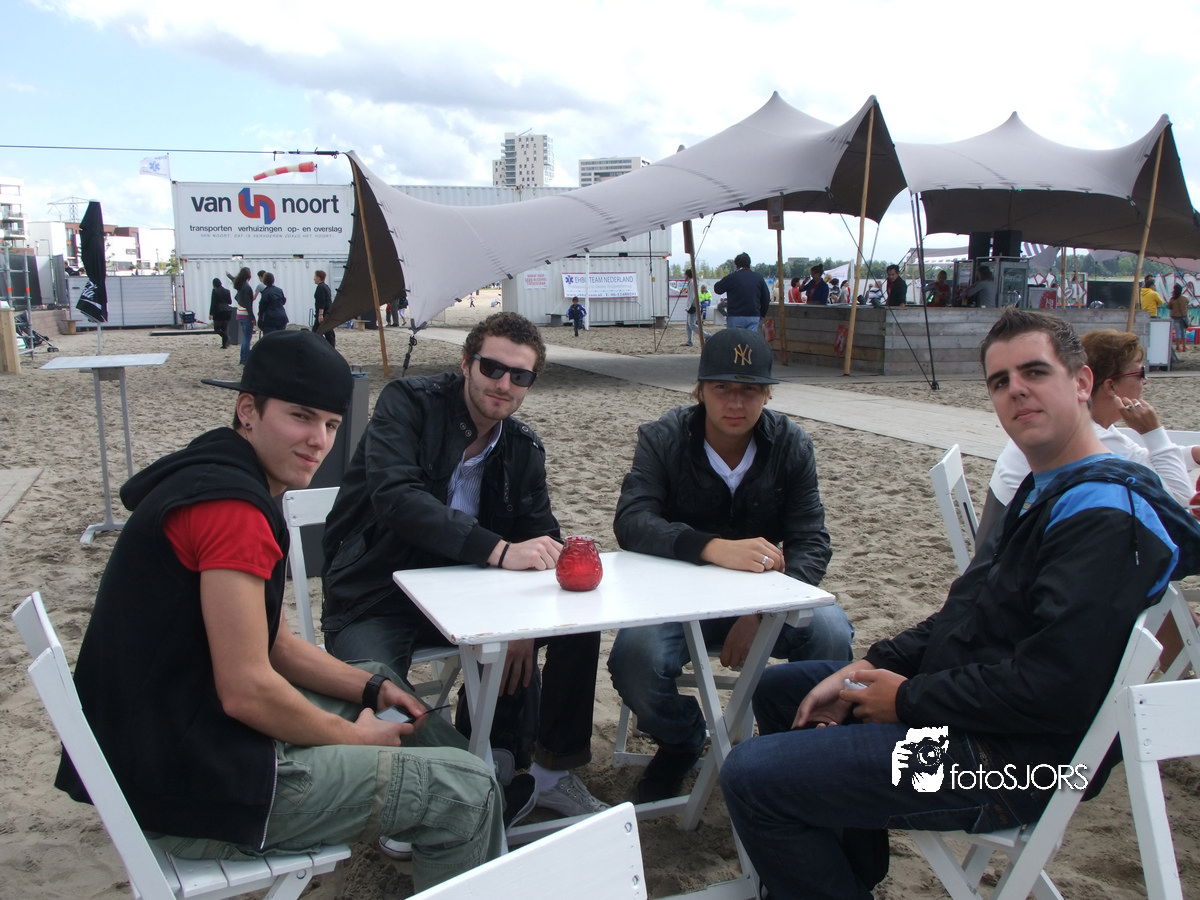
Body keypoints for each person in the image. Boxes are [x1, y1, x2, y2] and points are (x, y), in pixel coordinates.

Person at [719, 308, 1200, 900]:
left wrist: (907, 699)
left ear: (1082, 382)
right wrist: (870, 665)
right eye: (1000, 381)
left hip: (1012, 765)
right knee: (781, 689)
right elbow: (967, 613)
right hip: (983, 721)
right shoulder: (1049, 486)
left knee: (751, 778)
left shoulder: (1102, 516)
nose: (1016, 390)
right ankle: (846, 877)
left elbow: (1055, 688)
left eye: (1034, 372)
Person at [53, 331, 504, 891]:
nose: (319, 441)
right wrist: (352, 739)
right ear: (248, 410)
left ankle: (473, 838)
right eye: (300, 417)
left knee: (381, 682)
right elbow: (247, 690)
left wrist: (370, 691)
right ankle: (473, 823)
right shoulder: (231, 512)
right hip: (197, 787)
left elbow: (275, 646)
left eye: (331, 425)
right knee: (467, 794)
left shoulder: (215, 473)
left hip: (165, 745)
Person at [320, 312, 609, 820]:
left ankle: (542, 772)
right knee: (373, 684)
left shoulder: (522, 448)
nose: (504, 383)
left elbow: (544, 537)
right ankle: (438, 791)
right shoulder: (407, 403)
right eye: (492, 368)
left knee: (575, 628)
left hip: (472, 599)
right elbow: (397, 499)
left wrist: (526, 624)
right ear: (466, 364)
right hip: (376, 593)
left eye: (520, 375)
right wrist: (499, 550)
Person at [609, 327, 853, 803]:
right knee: (634, 659)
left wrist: (761, 612)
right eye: (722, 388)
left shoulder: (791, 444)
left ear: (767, 395)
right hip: (676, 599)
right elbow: (632, 521)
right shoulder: (663, 437)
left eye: (750, 390)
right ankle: (681, 739)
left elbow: (811, 540)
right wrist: (713, 547)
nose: (735, 403)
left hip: (765, 600)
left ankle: (794, 747)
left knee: (831, 633)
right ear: (700, 390)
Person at [986, 328, 1200, 514]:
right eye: (1140, 372)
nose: (1145, 381)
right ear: (1110, 386)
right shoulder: (1089, 437)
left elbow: (1143, 460)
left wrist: (1194, 454)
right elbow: (1181, 500)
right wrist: (1153, 432)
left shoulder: (1089, 424)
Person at [713, 252, 770, 333]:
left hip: (735, 315)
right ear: (749, 263)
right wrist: (762, 313)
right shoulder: (758, 278)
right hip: (753, 315)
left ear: (736, 264)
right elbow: (766, 297)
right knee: (750, 339)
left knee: (735, 339)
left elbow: (717, 289)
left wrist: (728, 278)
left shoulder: (732, 277)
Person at [229, 267, 256, 365]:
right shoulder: (247, 287)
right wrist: (252, 318)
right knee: (247, 338)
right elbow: (248, 304)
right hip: (246, 314)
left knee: (245, 337)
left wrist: (228, 275)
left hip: (239, 313)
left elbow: (233, 280)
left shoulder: (240, 286)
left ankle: (242, 358)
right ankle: (245, 359)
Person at [209, 277, 233, 349]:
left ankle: (226, 337)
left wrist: (211, 314)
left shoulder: (215, 291)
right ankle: (224, 345)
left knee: (217, 329)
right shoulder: (227, 291)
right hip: (228, 311)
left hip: (219, 311)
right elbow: (230, 302)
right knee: (224, 329)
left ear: (214, 284)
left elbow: (213, 303)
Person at [312, 270, 335, 348]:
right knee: (328, 331)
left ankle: (324, 346)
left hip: (323, 313)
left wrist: (320, 314)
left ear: (319, 278)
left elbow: (321, 302)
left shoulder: (320, 287)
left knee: (316, 332)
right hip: (328, 312)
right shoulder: (326, 287)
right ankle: (330, 347)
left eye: (315, 277)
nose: (314, 279)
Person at [683, 272, 704, 346]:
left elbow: (692, 296)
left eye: (685, 275)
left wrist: (689, 306)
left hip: (693, 306)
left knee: (691, 324)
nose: (684, 276)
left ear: (687, 275)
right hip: (691, 306)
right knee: (688, 325)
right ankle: (689, 341)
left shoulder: (692, 283)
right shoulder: (691, 283)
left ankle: (706, 335)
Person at [1168, 283, 1189, 354]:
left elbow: (1169, 307)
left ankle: (1177, 347)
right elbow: (1187, 302)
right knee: (1183, 332)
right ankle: (1184, 347)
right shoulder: (1184, 298)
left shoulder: (1172, 299)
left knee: (1177, 332)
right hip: (1183, 317)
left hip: (1175, 317)